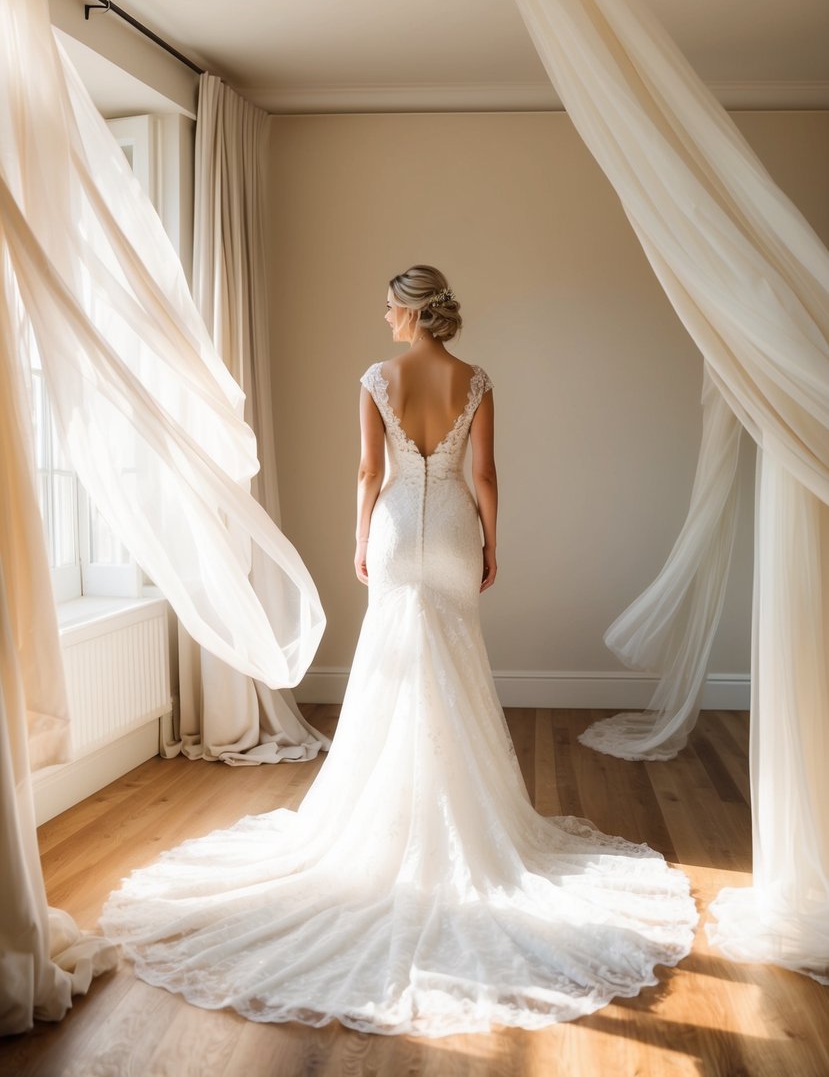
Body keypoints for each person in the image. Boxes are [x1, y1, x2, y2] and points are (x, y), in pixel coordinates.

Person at [100, 265, 698, 1035]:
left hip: (393, 529)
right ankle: (461, 813)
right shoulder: (475, 379)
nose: (383, 316)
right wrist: (490, 541)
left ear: (412, 314)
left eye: (389, 306)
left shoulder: (376, 378)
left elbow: (367, 470)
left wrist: (359, 540)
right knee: (449, 662)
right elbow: (483, 471)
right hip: (450, 525)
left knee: (391, 664)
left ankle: (385, 810)